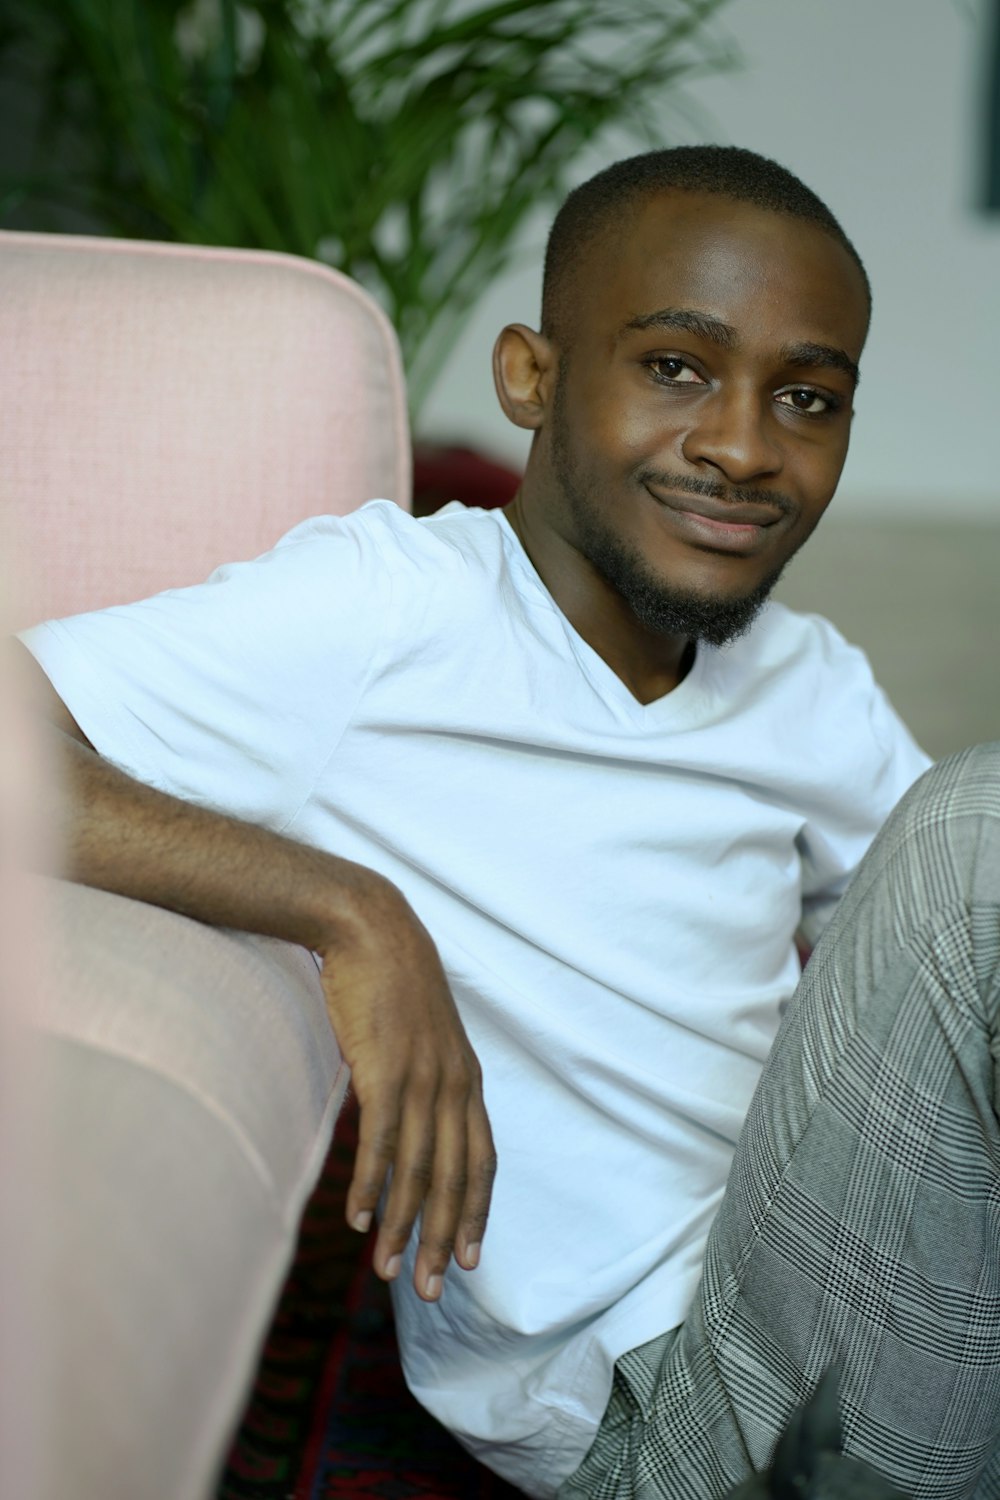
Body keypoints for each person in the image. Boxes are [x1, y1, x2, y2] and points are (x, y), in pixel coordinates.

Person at [14, 144, 979, 1496]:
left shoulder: (805, 683)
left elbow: (943, 1004)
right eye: (676, 368)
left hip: (850, 1325)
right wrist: (352, 909)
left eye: (807, 398)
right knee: (978, 824)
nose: (745, 446)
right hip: (673, 1413)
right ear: (530, 375)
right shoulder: (385, 612)